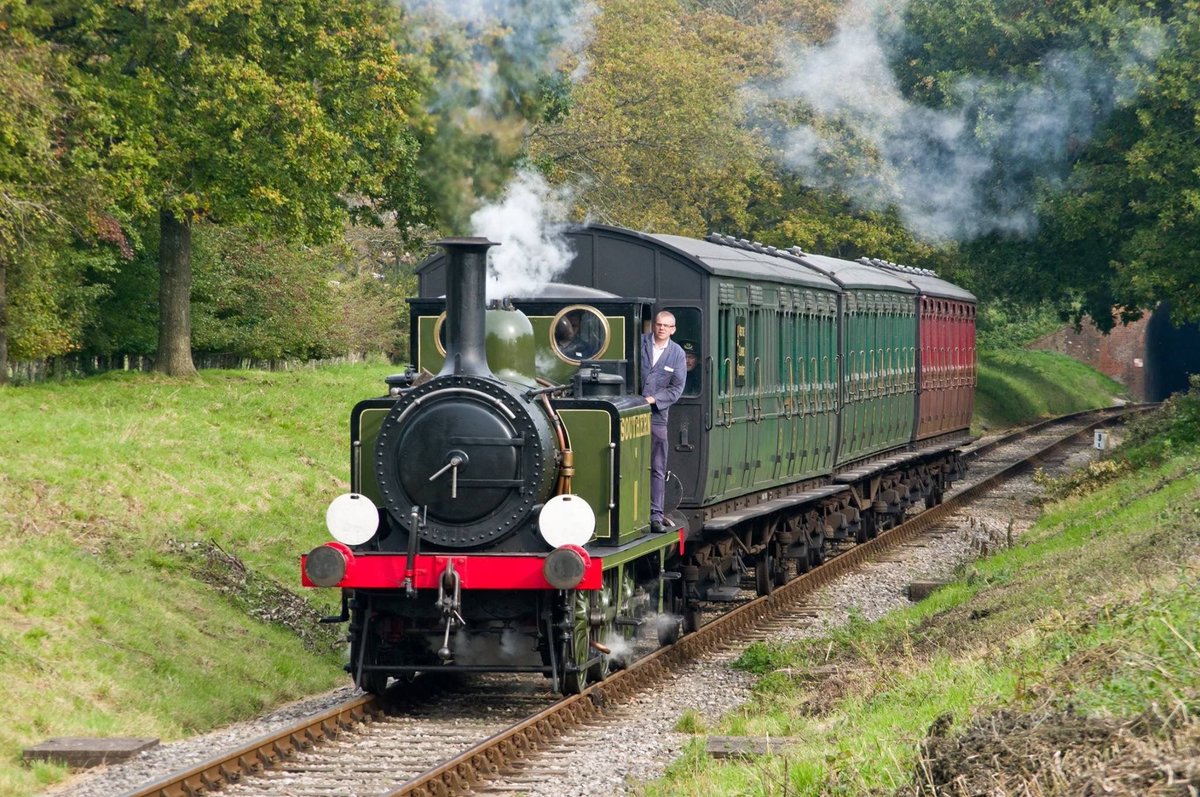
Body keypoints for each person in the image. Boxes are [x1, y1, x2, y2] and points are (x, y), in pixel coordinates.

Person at [640, 310, 686, 534]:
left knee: (658, 466)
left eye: (666, 326)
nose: (661, 328)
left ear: (673, 330)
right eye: (658, 324)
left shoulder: (677, 353)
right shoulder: (639, 344)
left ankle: (655, 515)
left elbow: (677, 388)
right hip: (630, 411)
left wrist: (654, 399)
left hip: (657, 416)